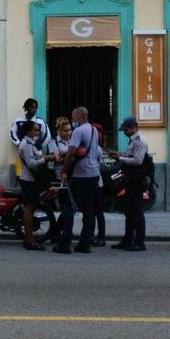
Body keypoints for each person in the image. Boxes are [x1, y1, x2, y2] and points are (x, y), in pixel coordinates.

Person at [58, 106, 101, 254]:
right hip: (94, 174)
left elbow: (71, 153)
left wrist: (64, 171)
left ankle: (65, 243)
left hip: (80, 175)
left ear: (78, 116)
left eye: (73, 117)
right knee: (89, 210)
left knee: (68, 207)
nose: (72, 120)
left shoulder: (78, 131)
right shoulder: (94, 130)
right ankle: (85, 243)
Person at [109, 117, 149, 252]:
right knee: (130, 211)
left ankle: (139, 242)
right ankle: (128, 239)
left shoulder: (139, 142)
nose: (124, 132)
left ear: (132, 127)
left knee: (136, 211)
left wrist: (120, 158)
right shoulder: (134, 141)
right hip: (131, 180)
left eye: (126, 130)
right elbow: (130, 156)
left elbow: (137, 161)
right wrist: (120, 154)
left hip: (137, 181)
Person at [17, 121, 57, 251]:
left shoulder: (30, 143)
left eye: (38, 130)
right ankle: (29, 240)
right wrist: (46, 159)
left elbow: (38, 156)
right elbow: (31, 164)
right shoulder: (27, 145)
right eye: (35, 130)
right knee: (29, 209)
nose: (38, 133)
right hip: (28, 180)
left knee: (32, 208)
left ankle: (29, 238)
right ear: (28, 131)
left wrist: (49, 157)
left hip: (31, 180)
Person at [45, 117, 73, 243]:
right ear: (59, 131)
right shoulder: (53, 142)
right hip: (59, 177)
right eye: (66, 131)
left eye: (70, 130)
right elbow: (57, 158)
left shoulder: (72, 140)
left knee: (69, 207)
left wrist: (66, 156)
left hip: (72, 176)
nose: (69, 133)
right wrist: (69, 156)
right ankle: (58, 233)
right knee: (66, 206)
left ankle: (56, 232)